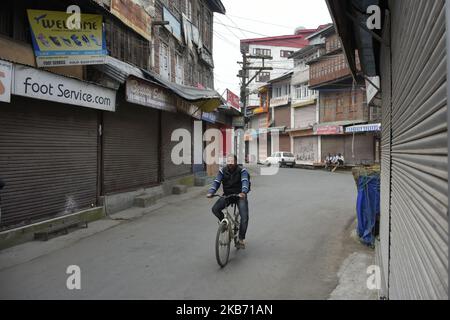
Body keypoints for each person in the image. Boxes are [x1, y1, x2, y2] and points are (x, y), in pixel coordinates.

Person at [207, 154, 250, 249]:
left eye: (232, 162)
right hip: (228, 195)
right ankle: (224, 224)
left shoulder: (242, 171)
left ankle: (241, 239)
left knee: (244, 217)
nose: (230, 164)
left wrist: (243, 192)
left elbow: (245, 181)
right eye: (228, 162)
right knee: (215, 209)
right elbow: (217, 182)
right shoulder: (222, 171)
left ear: (235, 162)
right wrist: (211, 192)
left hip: (240, 196)